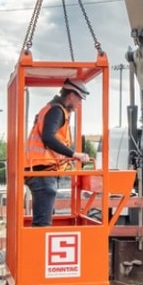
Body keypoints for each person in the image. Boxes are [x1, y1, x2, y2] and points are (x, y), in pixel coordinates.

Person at [26, 77, 92, 227]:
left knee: (44, 219)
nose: (79, 105)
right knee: (42, 224)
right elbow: (48, 137)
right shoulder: (57, 111)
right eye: (80, 100)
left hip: (41, 169)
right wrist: (75, 154)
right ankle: (39, 250)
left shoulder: (53, 109)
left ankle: (41, 248)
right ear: (72, 96)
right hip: (42, 170)